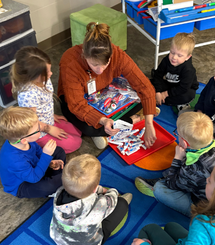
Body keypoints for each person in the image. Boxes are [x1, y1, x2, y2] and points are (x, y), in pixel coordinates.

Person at [57, 22, 157, 150]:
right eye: (94, 65)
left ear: (110, 54)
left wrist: (149, 124)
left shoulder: (117, 54)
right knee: (88, 127)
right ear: (84, 55)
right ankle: (129, 120)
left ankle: (112, 127)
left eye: (106, 64)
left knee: (142, 95)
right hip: (75, 100)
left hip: (104, 92)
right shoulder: (70, 61)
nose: (100, 70)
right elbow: (76, 104)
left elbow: (144, 86)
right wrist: (102, 120)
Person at [135, 111, 215, 216]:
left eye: (177, 134)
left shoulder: (192, 167)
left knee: (160, 189)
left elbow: (171, 183)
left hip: (205, 205)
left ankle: (194, 213)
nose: (176, 135)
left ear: (184, 143)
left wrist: (177, 158)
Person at [49, 154, 132, 245]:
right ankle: (122, 202)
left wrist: (97, 189)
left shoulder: (59, 193)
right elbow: (113, 197)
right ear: (95, 188)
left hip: (58, 239)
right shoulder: (99, 205)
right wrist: (111, 191)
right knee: (121, 204)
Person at [12, 46, 82, 153]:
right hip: (39, 131)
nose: (51, 74)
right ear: (32, 76)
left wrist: (51, 115)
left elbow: (45, 103)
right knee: (75, 143)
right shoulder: (28, 95)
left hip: (48, 120)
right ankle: (37, 147)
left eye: (49, 70)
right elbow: (31, 123)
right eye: (47, 73)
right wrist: (49, 129)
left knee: (78, 131)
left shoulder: (43, 79)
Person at [0, 106, 66, 199]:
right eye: (37, 129)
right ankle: (57, 181)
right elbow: (34, 178)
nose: (40, 129)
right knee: (51, 184)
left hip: (33, 169)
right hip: (23, 184)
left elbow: (37, 151)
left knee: (58, 151)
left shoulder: (25, 141)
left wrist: (49, 163)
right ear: (24, 140)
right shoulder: (14, 160)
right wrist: (46, 156)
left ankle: (56, 179)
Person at [151, 32, 199, 115]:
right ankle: (158, 98)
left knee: (188, 95)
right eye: (172, 53)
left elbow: (183, 88)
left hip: (183, 90)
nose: (174, 57)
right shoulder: (167, 60)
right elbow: (157, 75)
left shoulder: (189, 69)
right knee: (148, 82)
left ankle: (178, 104)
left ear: (188, 57)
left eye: (179, 56)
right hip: (170, 85)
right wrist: (158, 92)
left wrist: (165, 94)